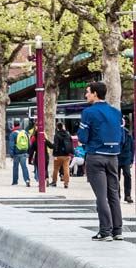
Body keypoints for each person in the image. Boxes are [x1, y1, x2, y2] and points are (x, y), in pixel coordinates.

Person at [78, 81, 124, 241]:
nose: (86, 95)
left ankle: (105, 231)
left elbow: (83, 137)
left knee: (101, 195)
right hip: (113, 156)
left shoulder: (88, 113)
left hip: (95, 156)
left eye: (88, 92)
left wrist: (87, 142)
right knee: (114, 194)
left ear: (95, 94)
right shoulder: (116, 112)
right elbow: (122, 136)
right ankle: (117, 230)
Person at [50, 121, 73, 189]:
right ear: (63, 126)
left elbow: (56, 145)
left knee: (55, 169)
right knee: (66, 169)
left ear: (57, 127)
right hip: (66, 155)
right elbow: (71, 144)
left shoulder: (57, 135)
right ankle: (66, 183)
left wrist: (55, 154)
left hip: (59, 155)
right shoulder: (68, 134)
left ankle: (54, 182)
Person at [8, 120, 31, 187]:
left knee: (15, 167)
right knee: (24, 167)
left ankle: (15, 182)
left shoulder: (13, 133)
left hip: (16, 153)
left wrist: (11, 154)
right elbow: (29, 143)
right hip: (24, 152)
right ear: (19, 125)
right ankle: (27, 180)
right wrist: (28, 151)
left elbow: (11, 145)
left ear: (14, 125)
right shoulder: (24, 132)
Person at [120, 119, 133, 204]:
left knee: (127, 175)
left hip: (126, 158)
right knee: (115, 177)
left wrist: (131, 160)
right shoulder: (114, 132)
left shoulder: (128, 134)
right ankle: (116, 195)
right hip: (116, 157)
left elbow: (132, 148)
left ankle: (127, 195)